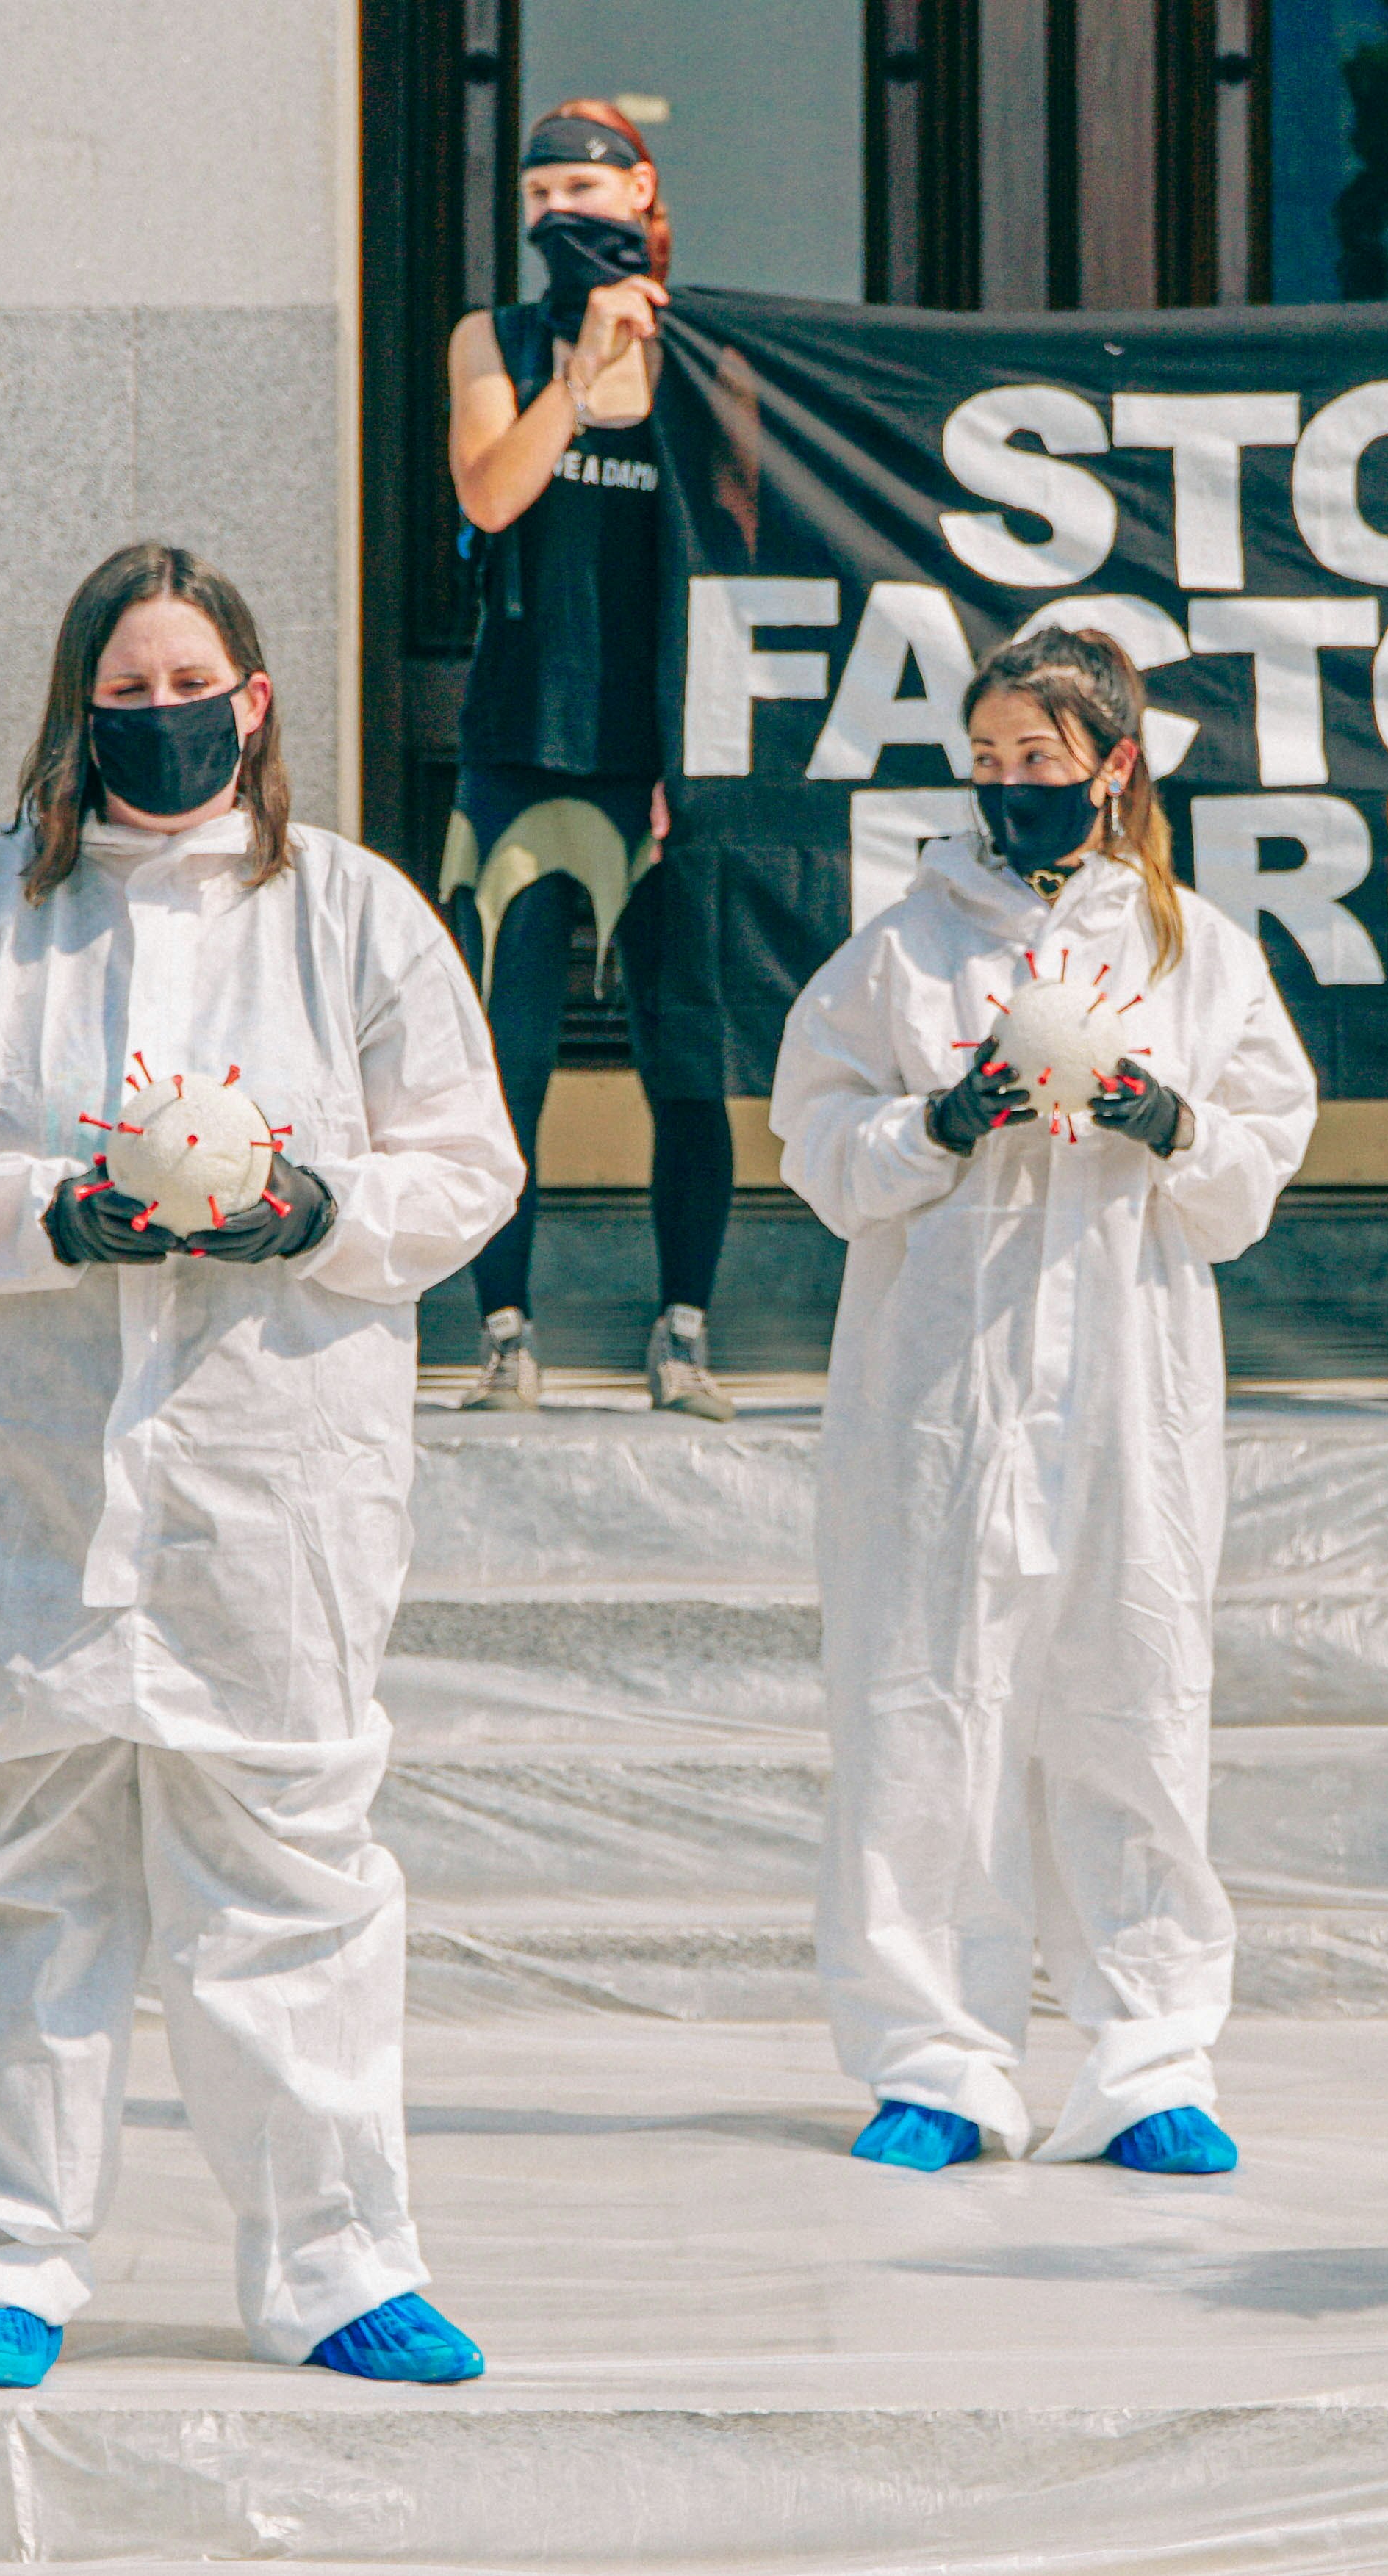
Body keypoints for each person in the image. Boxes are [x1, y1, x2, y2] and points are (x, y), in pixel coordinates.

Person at [0, 542, 522, 2389]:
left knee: (289, 1874)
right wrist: (54, 1212)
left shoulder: (350, 913)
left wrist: (310, 1211)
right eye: (124, 696)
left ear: (256, 701)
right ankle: (2, 2259)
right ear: (76, 711)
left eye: (188, 686)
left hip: (271, 1485)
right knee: (16, 1868)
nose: (161, 721)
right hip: (19, 1481)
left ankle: (339, 2261)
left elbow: (467, 1165)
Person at [772, 627, 1317, 2176]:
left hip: (1129, 1395)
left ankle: (1151, 2055)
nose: (1013, 789)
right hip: (942, 1397)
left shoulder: (1190, 949)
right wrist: (935, 1123)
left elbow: (1258, 1155)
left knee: (1129, 1704)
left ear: (1113, 766)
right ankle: (934, 2055)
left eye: (1041, 761)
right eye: (990, 761)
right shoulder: (905, 950)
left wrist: (1168, 1119)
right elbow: (817, 1143)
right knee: (923, 1711)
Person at [441, 98, 733, 1421]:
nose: (564, 210)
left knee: (683, 1053)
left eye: (588, 187)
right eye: (542, 189)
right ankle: (506, 1325)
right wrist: (577, 369)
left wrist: (653, 347)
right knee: (509, 1061)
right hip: (523, 749)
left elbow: (749, 548)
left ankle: (684, 1325)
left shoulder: (709, 357)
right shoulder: (493, 340)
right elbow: (492, 493)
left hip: (665, 760)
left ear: (643, 194)